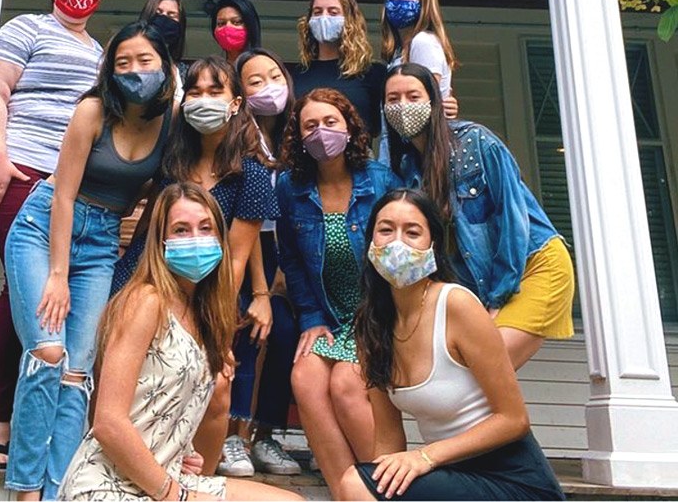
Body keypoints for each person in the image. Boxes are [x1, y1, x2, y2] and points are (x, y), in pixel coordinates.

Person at [3, 21, 176, 501]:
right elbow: (62, 195)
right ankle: (25, 487)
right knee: (47, 354)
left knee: (78, 369)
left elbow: (152, 189)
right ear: (109, 70)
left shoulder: (171, 122)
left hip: (101, 242)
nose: (135, 71)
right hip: (44, 229)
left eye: (145, 61)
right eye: (123, 63)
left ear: (165, 66)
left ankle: (59, 488)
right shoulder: (93, 110)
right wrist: (57, 275)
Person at [57, 182, 302, 501]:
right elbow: (108, 423)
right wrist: (175, 495)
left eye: (205, 228)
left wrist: (183, 450)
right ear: (161, 242)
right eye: (181, 230)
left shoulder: (207, 316)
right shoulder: (145, 302)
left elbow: (185, 419)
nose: (196, 239)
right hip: (112, 483)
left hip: (169, 474)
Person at [110, 56, 279, 475]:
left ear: (236, 102)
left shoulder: (252, 173)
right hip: (139, 281)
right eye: (196, 92)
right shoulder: (170, 156)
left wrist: (218, 333)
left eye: (215, 91)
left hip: (204, 297)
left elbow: (235, 259)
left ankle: (196, 480)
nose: (204, 100)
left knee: (216, 384)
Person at [338, 188, 565, 501]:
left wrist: (426, 457)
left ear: (432, 246)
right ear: (370, 244)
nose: (397, 242)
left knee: (354, 483)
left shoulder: (456, 305)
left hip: (514, 482)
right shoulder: (371, 328)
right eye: (386, 230)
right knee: (361, 484)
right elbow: (389, 438)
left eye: (412, 232)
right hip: (451, 477)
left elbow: (514, 419)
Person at [0, 0, 103, 470]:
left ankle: (51, 422)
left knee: (58, 300)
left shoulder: (99, 53)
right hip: (24, 171)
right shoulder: (26, 28)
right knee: (20, 293)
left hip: (76, 187)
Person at [383, 63, 574, 370]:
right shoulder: (407, 168)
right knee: (464, 376)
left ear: (433, 101)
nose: (403, 106)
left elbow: (514, 222)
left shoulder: (476, 142)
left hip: (534, 265)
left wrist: (497, 298)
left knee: (483, 371)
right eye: (393, 99)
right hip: (480, 285)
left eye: (413, 96)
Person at [275, 88, 402, 496]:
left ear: (349, 127)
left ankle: (386, 490)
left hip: (377, 314)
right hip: (329, 316)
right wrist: (311, 318)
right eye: (310, 125)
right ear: (298, 135)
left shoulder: (381, 180)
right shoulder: (290, 188)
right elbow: (292, 260)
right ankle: (347, 491)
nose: (321, 132)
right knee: (305, 377)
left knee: (347, 384)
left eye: (330, 122)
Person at [208, 48, 301, 476]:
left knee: (285, 335)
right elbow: (252, 227)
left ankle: (264, 437)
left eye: (274, 75)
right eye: (255, 81)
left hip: (294, 262)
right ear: (240, 95)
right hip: (249, 257)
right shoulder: (243, 140)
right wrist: (262, 289)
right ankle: (233, 439)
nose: (268, 87)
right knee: (251, 331)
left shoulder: (297, 136)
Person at [377, 0, 459, 164]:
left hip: (419, 153)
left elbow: (426, 100)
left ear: (424, 4)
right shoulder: (399, 50)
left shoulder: (423, 42)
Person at [290, 0, 386, 140]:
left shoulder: (373, 73)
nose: (324, 18)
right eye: (317, 12)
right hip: (305, 160)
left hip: (359, 160)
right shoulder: (296, 75)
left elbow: (378, 128)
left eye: (333, 12)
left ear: (350, 20)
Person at [139, 0, 189, 99]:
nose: (164, 18)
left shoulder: (183, 72)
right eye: (158, 13)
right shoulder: (131, 63)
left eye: (172, 15)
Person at [210, 0, 262, 64]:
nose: (228, 27)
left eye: (237, 22)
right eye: (221, 23)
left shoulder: (264, 66)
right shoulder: (215, 72)